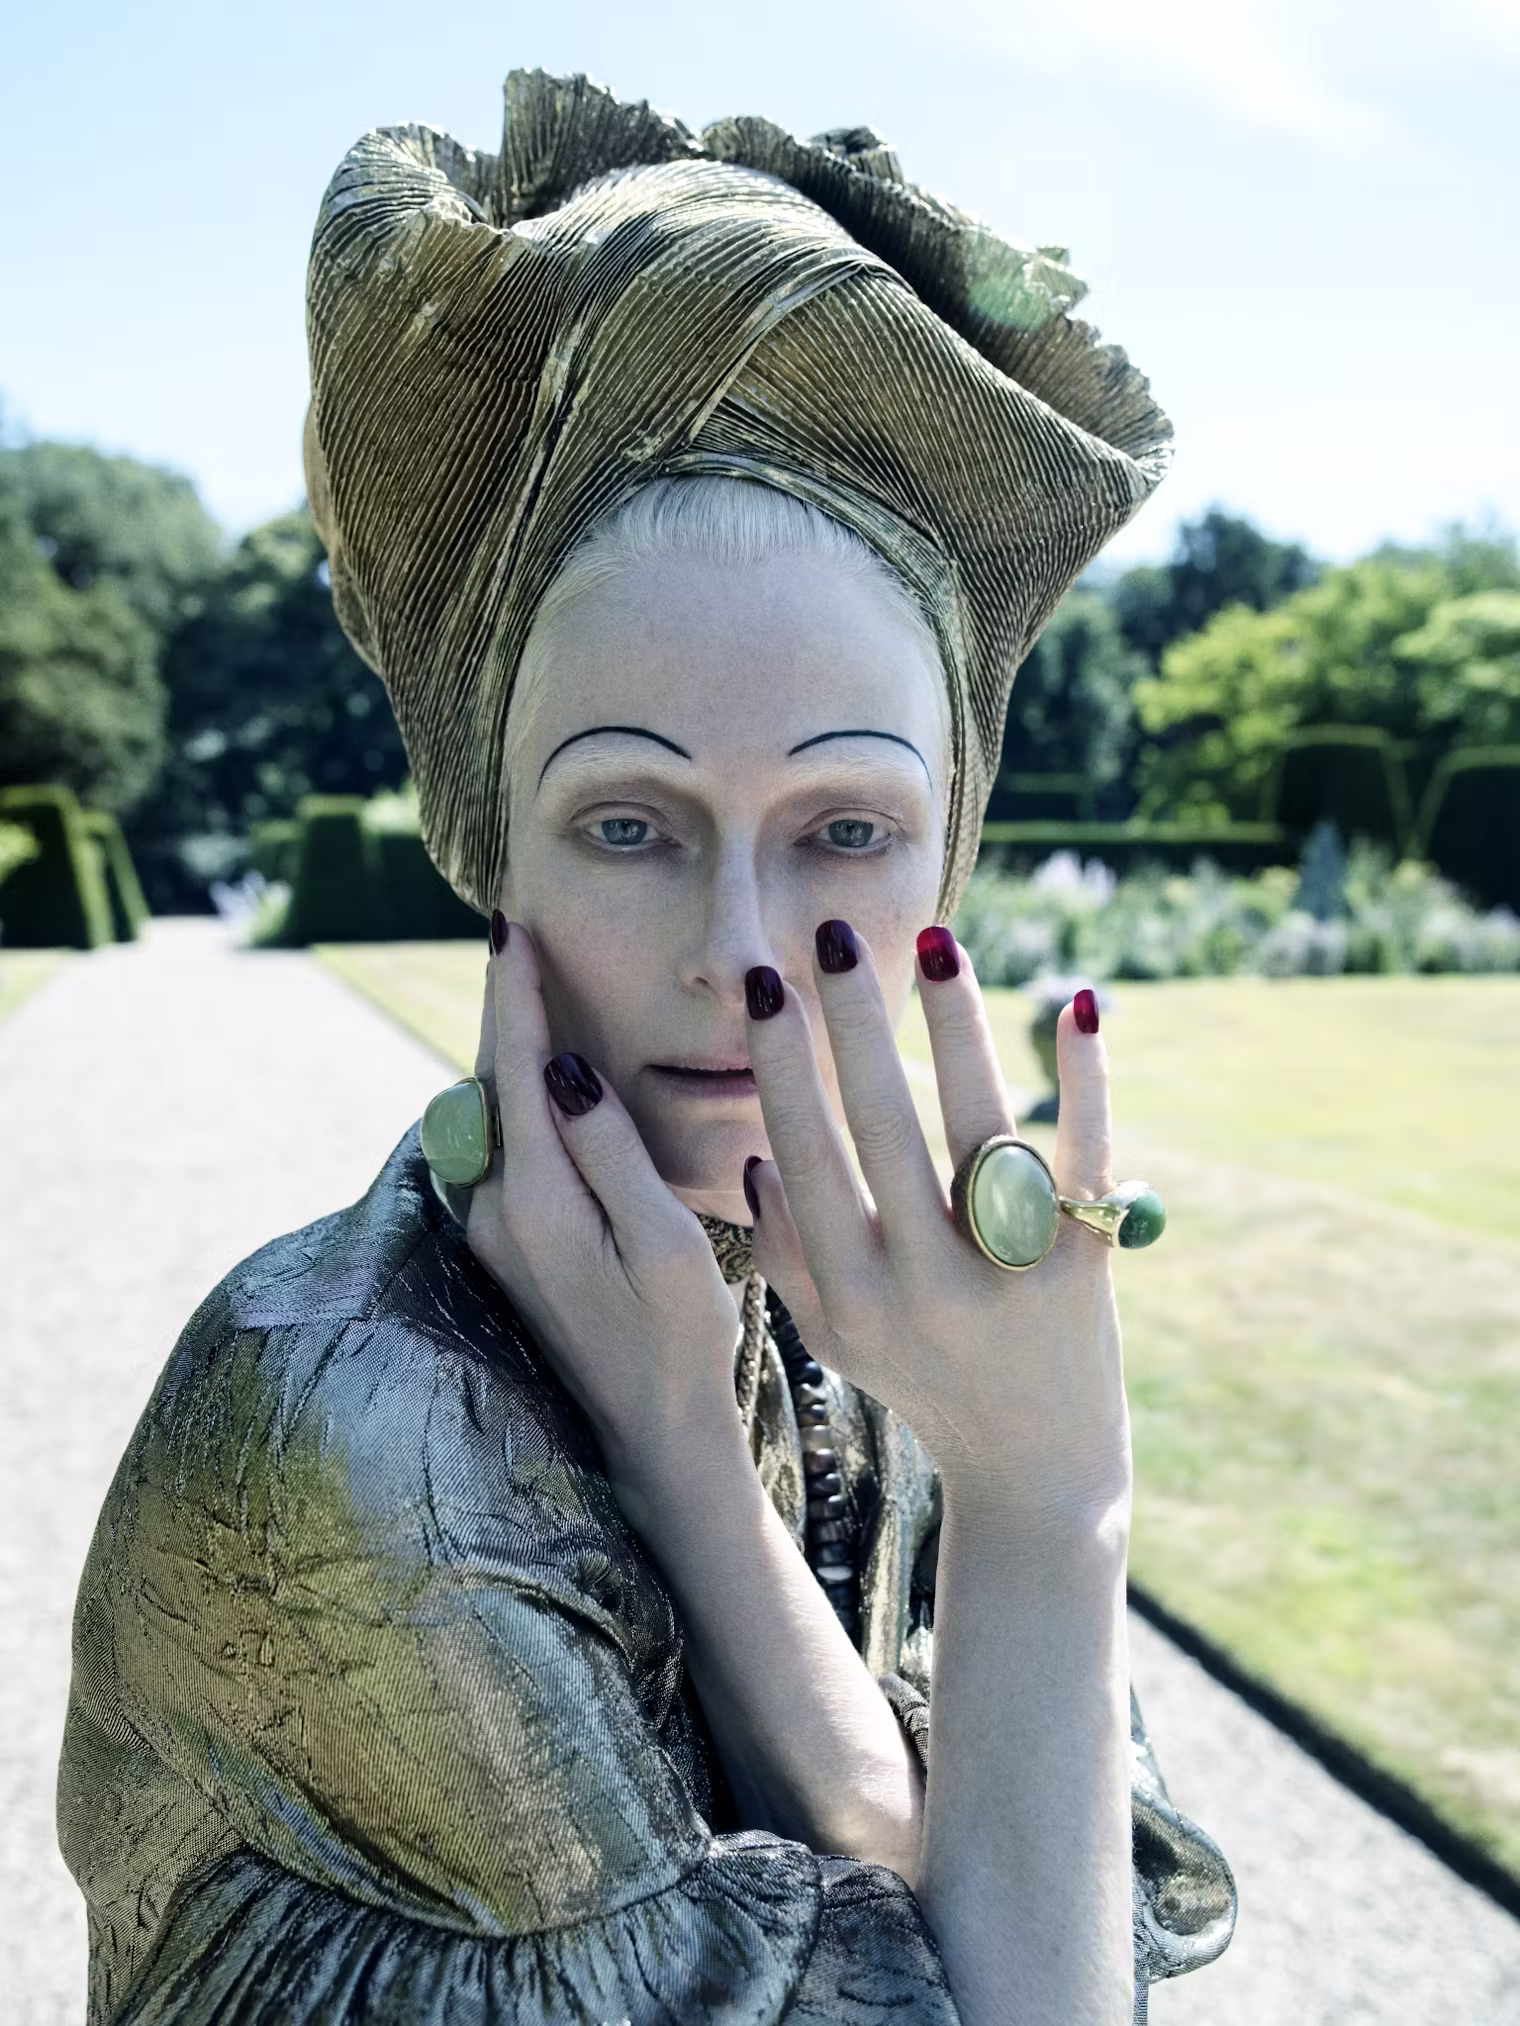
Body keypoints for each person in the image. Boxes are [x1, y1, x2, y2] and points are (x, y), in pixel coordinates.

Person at [59, 70, 1235, 2026]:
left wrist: (698, 1455)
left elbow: (1082, 1880)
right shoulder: (356, 1420)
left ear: (955, 845)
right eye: (629, 823)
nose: (738, 953)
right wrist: (1057, 1510)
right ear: (481, 836)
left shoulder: (850, 1310)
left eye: (843, 830)